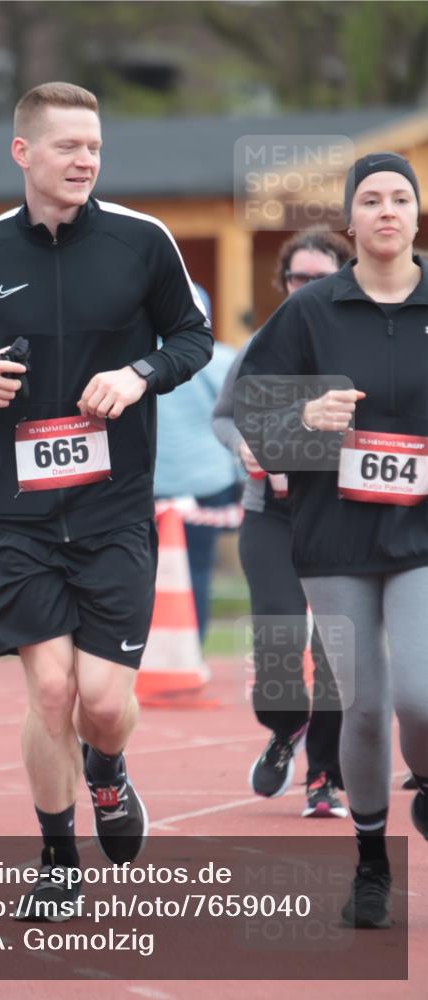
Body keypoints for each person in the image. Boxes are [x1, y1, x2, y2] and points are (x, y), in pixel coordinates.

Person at [0, 82, 213, 917]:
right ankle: (57, 857)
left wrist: (137, 372)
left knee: (104, 704)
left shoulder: (141, 242)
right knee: (49, 694)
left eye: (93, 147)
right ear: (23, 153)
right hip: (18, 516)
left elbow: (192, 336)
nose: (85, 159)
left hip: (114, 506)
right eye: (67, 146)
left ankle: (108, 772)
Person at [235, 153, 427, 929]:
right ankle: (372, 863)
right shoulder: (310, 312)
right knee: (363, 706)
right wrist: (302, 420)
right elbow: (251, 418)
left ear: (416, 217)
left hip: (420, 533)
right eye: (370, 200)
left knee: (418, 692)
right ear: (351, 223)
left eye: (400, 199)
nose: (385, 210)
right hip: (334, 536)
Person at [213, 229, 352, 819]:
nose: (308, 288)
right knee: (276, 644)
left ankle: (325, 776)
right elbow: (225, 415)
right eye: (299, 278)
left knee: (335, 655)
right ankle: (285, 725)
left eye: (322, 278)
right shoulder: (266, 343)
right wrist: (244, 444)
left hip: (344, 517)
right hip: (271, 515)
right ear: (284, 282)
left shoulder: (361, 342)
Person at [154, 284, 240, 647]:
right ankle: (192, 652)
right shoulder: (220, 359)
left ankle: (145, 655)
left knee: (145, 574)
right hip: (207, 478)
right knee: (198, 569)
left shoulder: (136, 361)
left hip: (151, 481)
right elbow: (238, 420)